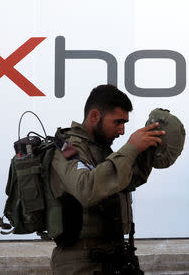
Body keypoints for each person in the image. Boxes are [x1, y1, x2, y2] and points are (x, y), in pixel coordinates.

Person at [49, 84, 165, 274]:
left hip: (112, 258)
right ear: (94, 116)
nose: (122, 130)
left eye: (125, 124)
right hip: (80, 263)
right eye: (118, 122)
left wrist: (149, 150)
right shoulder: (66, 148)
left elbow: (128, 180)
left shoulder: (101, 149)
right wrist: (130, 148)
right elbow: (86, 188)